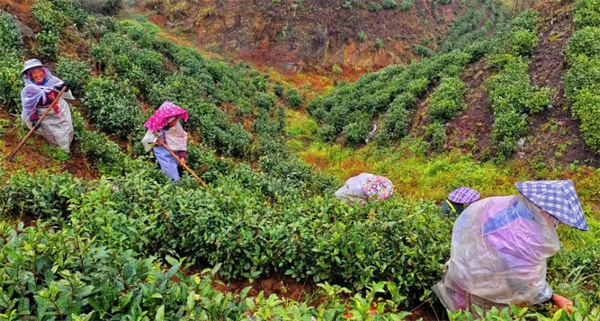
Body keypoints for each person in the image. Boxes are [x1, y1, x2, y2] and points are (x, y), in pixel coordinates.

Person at [434, 180, 587, 314]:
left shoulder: (497, 205)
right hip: (485, 295)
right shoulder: (529, 237)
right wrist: (553, 297)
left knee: (455, 312)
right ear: (548, 214)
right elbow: (521, 281)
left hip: (459, 274)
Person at [20, 59, 74, 153]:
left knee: (65, 128)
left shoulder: (51, 80)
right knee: (52, 133)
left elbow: (60, 87)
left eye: (39, 71)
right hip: (43, 113)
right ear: (30, 76)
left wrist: (65, 86)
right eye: (34, 73)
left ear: (43, 72)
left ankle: (67, 146)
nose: (38, 75)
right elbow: (29, 106)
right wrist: (34, 119)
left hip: (58, 109)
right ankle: (59, 150)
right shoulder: (29, 90)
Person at [142, 101, 189, 181]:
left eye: (176, 120)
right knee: (168, 170)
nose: (175, 123)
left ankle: (175, 183)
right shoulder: (157, 126)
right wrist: (156, 142)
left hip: (174, 153)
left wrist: (182, 156)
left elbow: (181, 139)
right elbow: (148, 140)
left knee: (174, 166)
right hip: (162, 153)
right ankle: (173, 185)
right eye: (173, 121)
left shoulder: (177, 126)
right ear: (168, 120)